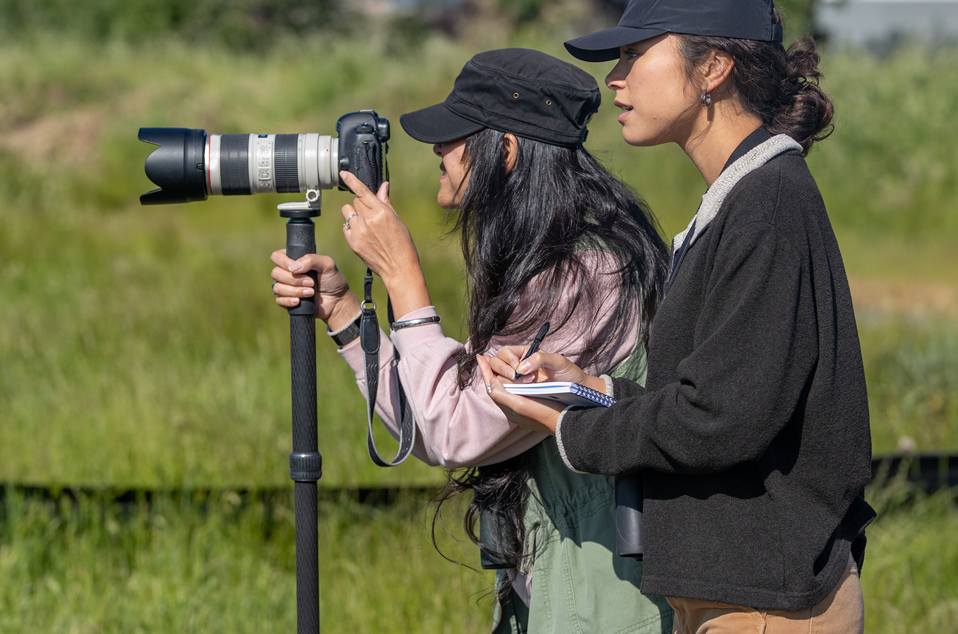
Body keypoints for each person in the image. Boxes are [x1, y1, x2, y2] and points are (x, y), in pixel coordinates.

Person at [482, 0, 876, 634]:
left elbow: (721, 419)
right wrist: (589, 388)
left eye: (637, 53)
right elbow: (722, 395)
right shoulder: (739, 203)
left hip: (764, 606)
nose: (616, 77)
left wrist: (570, 427)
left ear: (712, 68)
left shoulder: (767, 204)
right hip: (739, 596)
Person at [270, 48, 674, 633]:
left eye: (456, 135)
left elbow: (452, 431)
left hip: (602, 607)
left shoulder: (589, 274)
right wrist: (341, 314)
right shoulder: (556, 263)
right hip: (560, 594)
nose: (438, 149)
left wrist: (403, 278)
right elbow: (442, 421)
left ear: (505, 152)